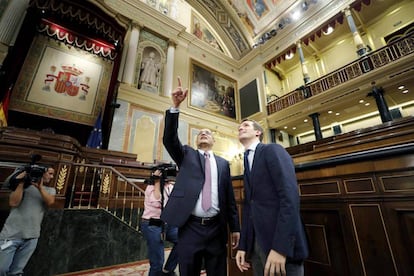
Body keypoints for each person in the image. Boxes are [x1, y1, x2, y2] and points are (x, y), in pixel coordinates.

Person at [161, 77, 240, 276]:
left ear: (213, 141)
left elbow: (229, 199)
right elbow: (169, 140)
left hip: (217, 229)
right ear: (197, 141)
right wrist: (175, 107)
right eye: (200, 133)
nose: (203, 134)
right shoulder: (187, 155)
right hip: (191, 227)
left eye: (207, 133)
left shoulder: (223, 164)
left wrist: (235, 228)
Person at [235, 119, 309, 276]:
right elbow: (250, 207)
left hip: (280, 244)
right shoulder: (247, 161)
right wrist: (243, 245)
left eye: (246, 125)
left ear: (258, 132)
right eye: (239, 127)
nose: (241, 127)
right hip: (257, 245)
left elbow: (290, 198)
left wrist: (280, 248)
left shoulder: (272, 150)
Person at [0, 165, 56, 276]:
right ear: (42, 173)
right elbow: (13, 203)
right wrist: (21, 182)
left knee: (16, 272)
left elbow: (50, 202)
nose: (52, 176)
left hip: (31, 237)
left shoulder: (50, 190)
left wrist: (40, 188)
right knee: (1, 268)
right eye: (50, 173)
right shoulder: (22, 187)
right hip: (10, 236)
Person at [140, 169, 178, 276]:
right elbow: (157, 201)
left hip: (166, 224)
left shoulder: (169, 187)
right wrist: (156, 182)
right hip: (151, 224)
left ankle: (168, 270)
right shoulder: (151, 188)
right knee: (157, 260)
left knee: (183, 240)